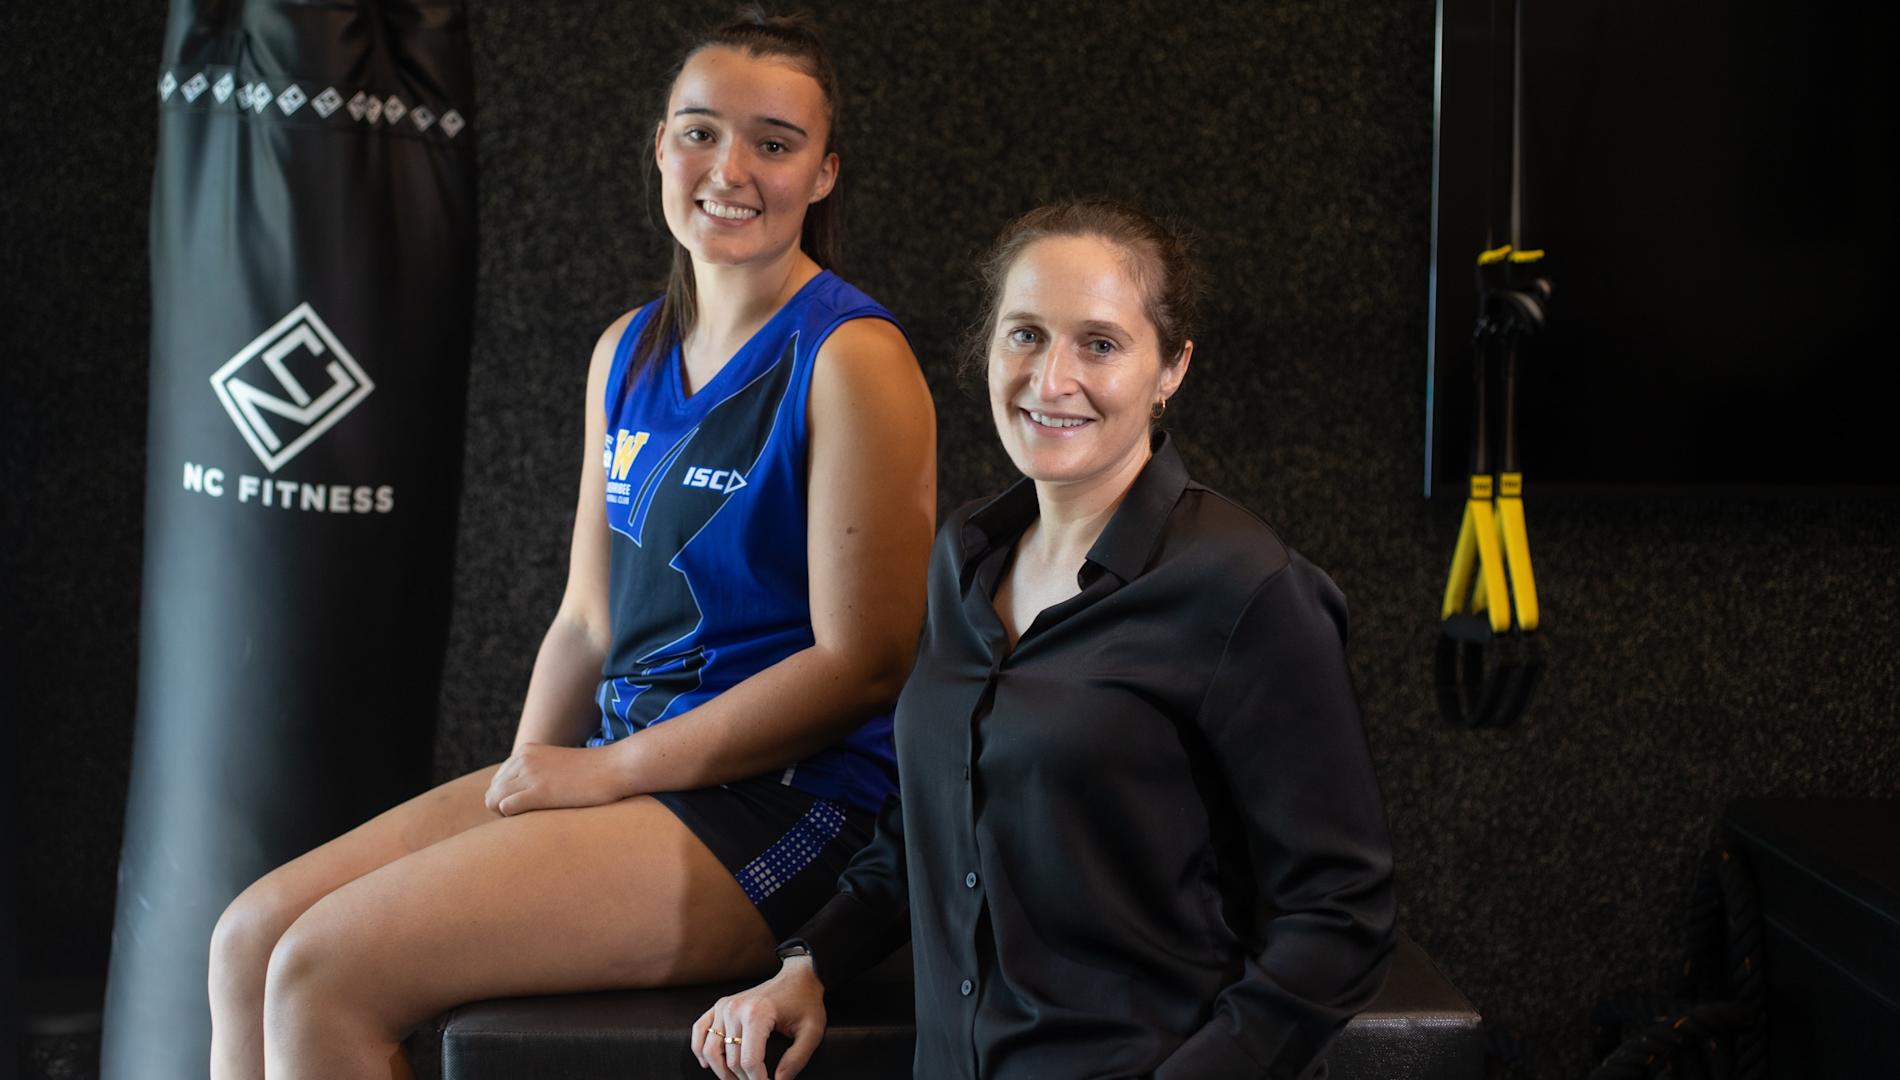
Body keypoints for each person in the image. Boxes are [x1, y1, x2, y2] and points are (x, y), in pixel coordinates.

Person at [206, 10, 937, 1079]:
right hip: (623, 772)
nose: (728, 168)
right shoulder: (626, 351)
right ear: (657, 145)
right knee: (248, 939)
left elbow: (864, 664)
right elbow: (587, 620)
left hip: (781, 810)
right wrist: (525, 784)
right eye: (699, 131)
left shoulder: (852, 358)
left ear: (822, 175)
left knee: (323, 968)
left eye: (773, 144)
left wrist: (602, 778)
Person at [692, 199, 1396, 1080]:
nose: (1051, 378)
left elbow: (1341, 915)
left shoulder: (1248, 590)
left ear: (1170, 368)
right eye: (1025, 335)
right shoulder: (964, 560)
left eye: (1098, 344)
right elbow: (926, 818)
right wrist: (808, 965)